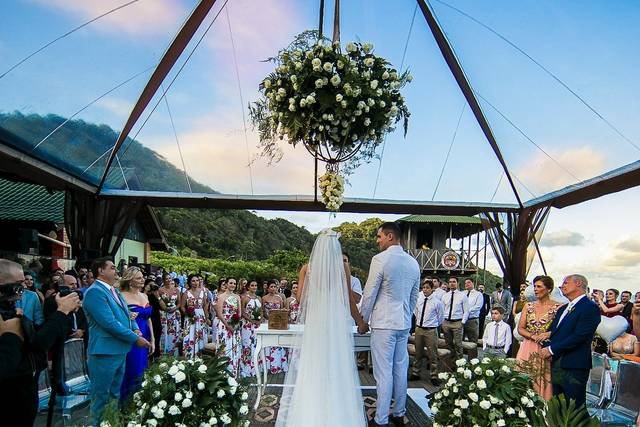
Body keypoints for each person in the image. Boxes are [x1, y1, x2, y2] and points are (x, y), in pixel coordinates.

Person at [276, 229, 368, 427]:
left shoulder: (306, 269)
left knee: (313, 367)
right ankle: (337, 412)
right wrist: (360, 321)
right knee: (336, 366)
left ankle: (310, 412)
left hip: (316, 325)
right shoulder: (342, 268)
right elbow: (350, 300)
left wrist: (318, 301)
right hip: (336, 325)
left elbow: (300, 300)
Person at [0, 259, 79, 426]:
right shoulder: (7, 322)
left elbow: (39, 341)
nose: (23, 289)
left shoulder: (12, 312)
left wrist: (62, 313)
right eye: (19, 283)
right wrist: (10, 336)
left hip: (25, 397)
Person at [360, 222, 420, 427]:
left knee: (383, 372)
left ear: (390, 237)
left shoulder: (380, 260)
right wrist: (405, 315)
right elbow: (414, 297)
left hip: (384, 324)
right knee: (400, 369)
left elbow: (369, 294)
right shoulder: (413, 263)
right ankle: (399, 413)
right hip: (403, 323)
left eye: (379, 237)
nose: (377, 241)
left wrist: (363, 320)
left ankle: (381, 418)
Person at [84, 257, 151, 425]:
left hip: (119, 350)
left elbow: (127, 314)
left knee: (114, 395)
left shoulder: (113, 290)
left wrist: (135, 327)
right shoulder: (95, 292)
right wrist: (135, 338)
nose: (116, 271)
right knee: (101, 398)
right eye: (113, 268)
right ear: (101, 271)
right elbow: (109, 323)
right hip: (104, 353)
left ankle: (112, 423)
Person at [539, 274, 600, 409]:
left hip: (574, 365)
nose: (562, 286)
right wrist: (546, 347)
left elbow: (580, 336)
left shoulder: (590, 307)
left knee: (574, 408)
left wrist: (551, 349)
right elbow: (553, 332)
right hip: (557, 363)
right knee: (558, 406)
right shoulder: (562, 309)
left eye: (566, 283)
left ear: (578, 283)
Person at [516, 276, 562, 400]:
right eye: (534, 286)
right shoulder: (528, 306)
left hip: (546, 348)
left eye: (539, 286)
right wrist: (533, 336)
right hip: (527, 347)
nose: (535, 289)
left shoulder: (559, 308)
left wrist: (548, 334)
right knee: (523, 378)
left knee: (543, 379)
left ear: (549, 289)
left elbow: (561, 329)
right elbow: (520, 328)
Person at [119, 267, 154, 402]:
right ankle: (126, 402)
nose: (142, 280)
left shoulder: (144, 295)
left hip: (145, 334)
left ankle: (139, 402)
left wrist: (153, 339)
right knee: (132, 370)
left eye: (142, 277)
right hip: (131, 336)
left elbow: (148, 318)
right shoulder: (121, 296)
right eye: (139, 278)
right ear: (130, 280)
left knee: (142, 369)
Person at [410, 279, 444, 385]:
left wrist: (432, 325)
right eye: (423, 288)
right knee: (418, 353)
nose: (425, 290)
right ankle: (415, 373)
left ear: (432, 289)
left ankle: (434, 376)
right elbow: (416, 312)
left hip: (430, 331)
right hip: (419, 329)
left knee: (433, 354)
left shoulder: (437, 302)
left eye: (427, 288)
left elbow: (441, 318)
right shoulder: (418, 300)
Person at [181, 273, 210, 359]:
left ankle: (200, 357)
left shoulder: (203, 292)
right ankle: (189, 357)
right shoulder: (186, 293)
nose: (195, 282)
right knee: (190, 336)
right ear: (189, 282)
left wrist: (207, 318)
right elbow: (182, 306)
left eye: (197, 280)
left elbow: (205, 306)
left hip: (201, 317)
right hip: (190, 317)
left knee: (200, 337)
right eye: (193, 281)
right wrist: (187, 314)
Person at [262, 280, 289, 374]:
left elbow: (281, 310)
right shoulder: (264, 298)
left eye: (274, 286)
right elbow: (263, 311)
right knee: (268, 343)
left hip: (278, 323)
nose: (273, 288)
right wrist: (269, 318)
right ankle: (268, 365)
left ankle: (278, 364)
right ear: (268, 288)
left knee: (277, 343)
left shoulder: (279, 297)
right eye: (271, 286)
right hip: (268, 322)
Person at [216, 277, 242, 375]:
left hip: (235, 323)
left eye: (234, 283)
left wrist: (235, 323)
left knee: (234, 346)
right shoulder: (221, 296)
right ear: (226, 284)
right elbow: (219, 314)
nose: (233, 285)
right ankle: (223, 372)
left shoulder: (237, 297)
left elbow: (239, 313)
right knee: (225, 347)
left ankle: (234, 370)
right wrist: (228, 325)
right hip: (224, 324)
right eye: (231, 283)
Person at [441, 276, 470, 362]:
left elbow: (466, 311)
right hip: (446, 322)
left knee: (458, 344)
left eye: (454, 282)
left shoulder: (463, 296)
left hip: (457, 322)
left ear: (457, 283)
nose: (452, 283)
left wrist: (462, 322)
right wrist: (442, 321)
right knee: (448, 344)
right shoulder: (445, 296)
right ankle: (451, 362)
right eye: (450, 282)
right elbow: (442, 310)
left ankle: (460, 364)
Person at [239, 280, 262, 378]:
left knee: (256, 344)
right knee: (247, 345)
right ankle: (247, 368)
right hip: (247, 325)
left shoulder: (259, 298)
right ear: (248, 287)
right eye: (252, 285)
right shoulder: (244, 298)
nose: (254, 287)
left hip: (257, 324)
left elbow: (261, 310)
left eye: (255, 285)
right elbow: (242, 312)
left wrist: (260, 319)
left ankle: (256, 367)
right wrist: (251, 320)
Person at [158, 272, 181, 356]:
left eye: (170, 278)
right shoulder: (160, 290)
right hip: (165, 314)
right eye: (166, 279)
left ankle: (174, 353)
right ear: (163, 280)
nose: (168, 280)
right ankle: (164, 353)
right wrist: (166, 309)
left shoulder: (176, 290)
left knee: (174, 333)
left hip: (175, 314)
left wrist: (174, 308)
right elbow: (159, 301)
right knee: (165, 333)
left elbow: (179, 303)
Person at [463, 278, 483, 358]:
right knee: (460, 340)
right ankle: (460, 362)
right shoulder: (462, 293)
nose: (467, 284)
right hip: (461, 319)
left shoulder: (478, 294)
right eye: (465, 283)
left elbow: (478, 306)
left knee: (473, 340)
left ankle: (472, 361)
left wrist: (467, 311)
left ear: (473, 283)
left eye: (468, 282)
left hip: (472, 319)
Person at [143, 278, 162, 360]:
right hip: (147, 320)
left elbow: (164, 307)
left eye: (153, 285)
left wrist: (157, 295)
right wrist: (146, 292)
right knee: (147, 339)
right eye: (150, 285)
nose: (151, 287)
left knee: (156, 339)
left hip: (156, 319)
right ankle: (147, 358)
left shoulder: (155, 295)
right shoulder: (141, 295)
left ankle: (156, 357)